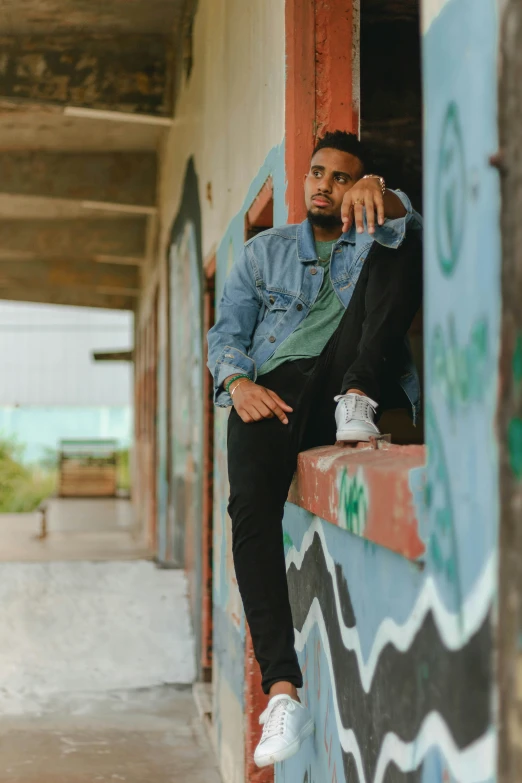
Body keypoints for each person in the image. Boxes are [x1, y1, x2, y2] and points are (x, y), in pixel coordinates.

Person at [207, 130, 422, 767]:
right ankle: (282, 690)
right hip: (273, 394)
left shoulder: (376, 234)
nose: (323, 186)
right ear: (304, 180)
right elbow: (227, 336)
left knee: (399, 241)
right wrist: (237, 382)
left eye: (340, 177)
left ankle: (358, 395)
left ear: (357, 183)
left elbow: (405, 222)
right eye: (316, 173)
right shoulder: (262, 253)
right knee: (248, 513)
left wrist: (383, 196)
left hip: (345, 388)